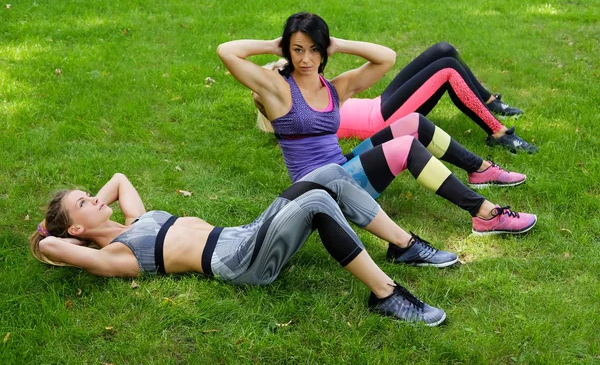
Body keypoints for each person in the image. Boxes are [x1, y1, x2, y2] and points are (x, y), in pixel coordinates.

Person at [217, 12, 537, 237]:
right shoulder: (277, 91)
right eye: (297, 50)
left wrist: (337, 43)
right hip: (322, 190)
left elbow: (386, 57)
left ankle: (480, 168)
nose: (305, 59)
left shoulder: (333, 88)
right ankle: (484, 214)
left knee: (412, 123)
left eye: (314, 50)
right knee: (406, 147)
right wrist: (277, 45)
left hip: (344, 169)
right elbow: (227, 51)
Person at [31, 165, 457, 326]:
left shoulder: (135, 221)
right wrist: (50, 234)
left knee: (328, 174)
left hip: (243, 235)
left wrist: (86, 210)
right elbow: (55, 251)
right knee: (317, 202)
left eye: (88, 193)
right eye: (84, 202)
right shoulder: (111, 256)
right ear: (76, 233)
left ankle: (404, 246)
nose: (94, 197)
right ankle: (386, 295)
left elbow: (122, 178)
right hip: (237, 263)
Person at [337, 42, 538, 154]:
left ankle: (488, 101)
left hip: (378, 104)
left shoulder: (315, 86)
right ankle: (498, 134)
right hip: (380, 123)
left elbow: (386, 57)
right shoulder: (305, 113)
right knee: (447, 69)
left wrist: (337, 44)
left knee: (444, 50)